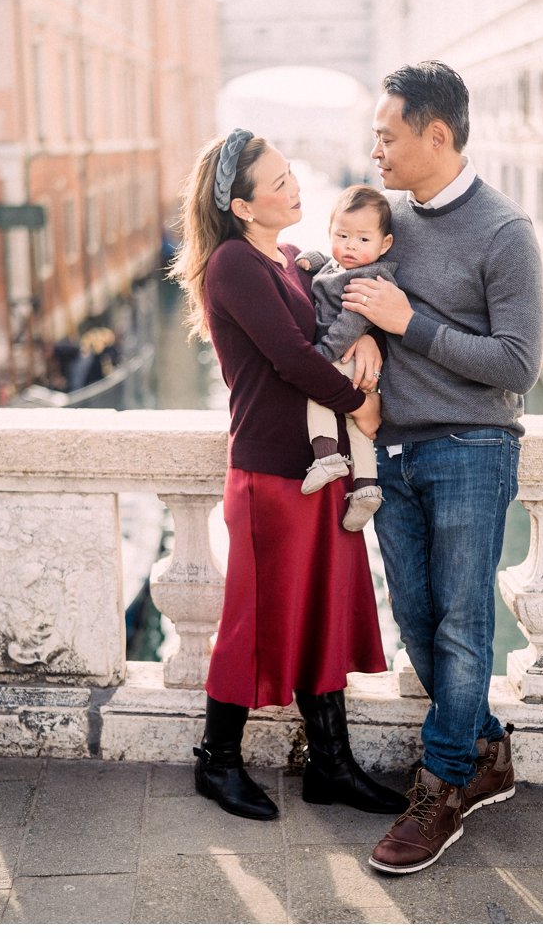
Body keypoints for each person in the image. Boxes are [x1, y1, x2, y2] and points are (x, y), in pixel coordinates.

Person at [338, 61, 543, 875]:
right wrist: (356, 330)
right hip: (392, 450)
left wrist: (409, 323)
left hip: (472, 449)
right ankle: (485, 751)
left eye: (387, 135)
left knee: (464, 629)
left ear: (437, 134)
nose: (376, 149)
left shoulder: (505, 233)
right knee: (419, 623)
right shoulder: (383, 218)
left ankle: (444, 787)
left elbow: (518, 365)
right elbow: (334, 280)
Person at [169, 129, 408, 822]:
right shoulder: (235, 267)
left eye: (289, 175)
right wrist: (363, 402)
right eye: (277, 183)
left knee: (322, 613)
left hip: (316, 468)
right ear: (242, 206)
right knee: (254, 619)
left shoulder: (286, 262)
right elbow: (292, 359)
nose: (293, 187)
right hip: (270, 474)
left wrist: (363, 332)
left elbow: (328, 317)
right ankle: (217, 762)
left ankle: (330, 763)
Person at [293, 185, 400, 532]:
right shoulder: (347, 266)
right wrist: (318, 260)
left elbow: (347, 325)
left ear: (384, 245)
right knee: (358, 427)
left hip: (341, 354)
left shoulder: (369, 279)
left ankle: (326, 457)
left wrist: (320, 361)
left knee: (318, 398)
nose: (351, 246)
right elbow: (333, 270)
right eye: (342, 235)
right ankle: (366, 487)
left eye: (362, 240)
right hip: (353, 361)